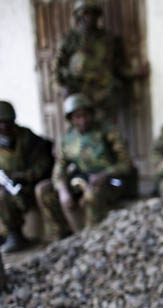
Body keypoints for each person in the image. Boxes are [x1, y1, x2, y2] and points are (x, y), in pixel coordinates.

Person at [36, 93, 135, 236]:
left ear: (92, 115)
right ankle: (63, 234)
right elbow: (59, 169)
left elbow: (126, 164)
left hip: (112, 180)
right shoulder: (68, 139)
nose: (82, 121)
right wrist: (63, 190)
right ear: (70, 119)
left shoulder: (107, 131)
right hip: (82, 180)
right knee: (44, 189)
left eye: (85, 115)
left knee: (91, 195)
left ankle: (92, 236)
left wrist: (105, 174)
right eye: (77, 117)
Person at [55, 0, 148, 122]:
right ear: (78, 16)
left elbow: (118, 68)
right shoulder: (70, 40)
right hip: (78, 95)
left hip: (104, 95)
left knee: (106, 132)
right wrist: (63, 89)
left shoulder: (109, 39)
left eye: (93, 14)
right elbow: (57, 70)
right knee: (81, 132)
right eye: (85, 13)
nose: (89, 17)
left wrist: (136, 73)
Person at [0, 101, 54, 252]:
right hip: (8, 187)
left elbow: (43, 165)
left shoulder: (28, 139)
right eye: (0, 123)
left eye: (7, 122)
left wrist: (22, 176)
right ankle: (12, 235)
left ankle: (16, 236)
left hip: (29, 185)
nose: (4, 127)